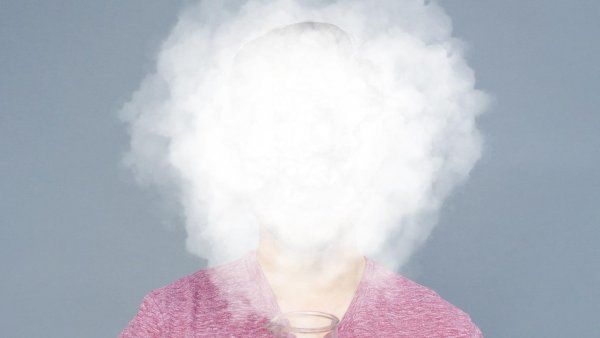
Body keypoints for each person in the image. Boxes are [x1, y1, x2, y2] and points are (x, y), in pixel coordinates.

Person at [121, 21, 484, 337]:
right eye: (280, 128)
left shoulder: (441, 329)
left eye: (327, 128)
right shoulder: (171, 321)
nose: (305, 161)